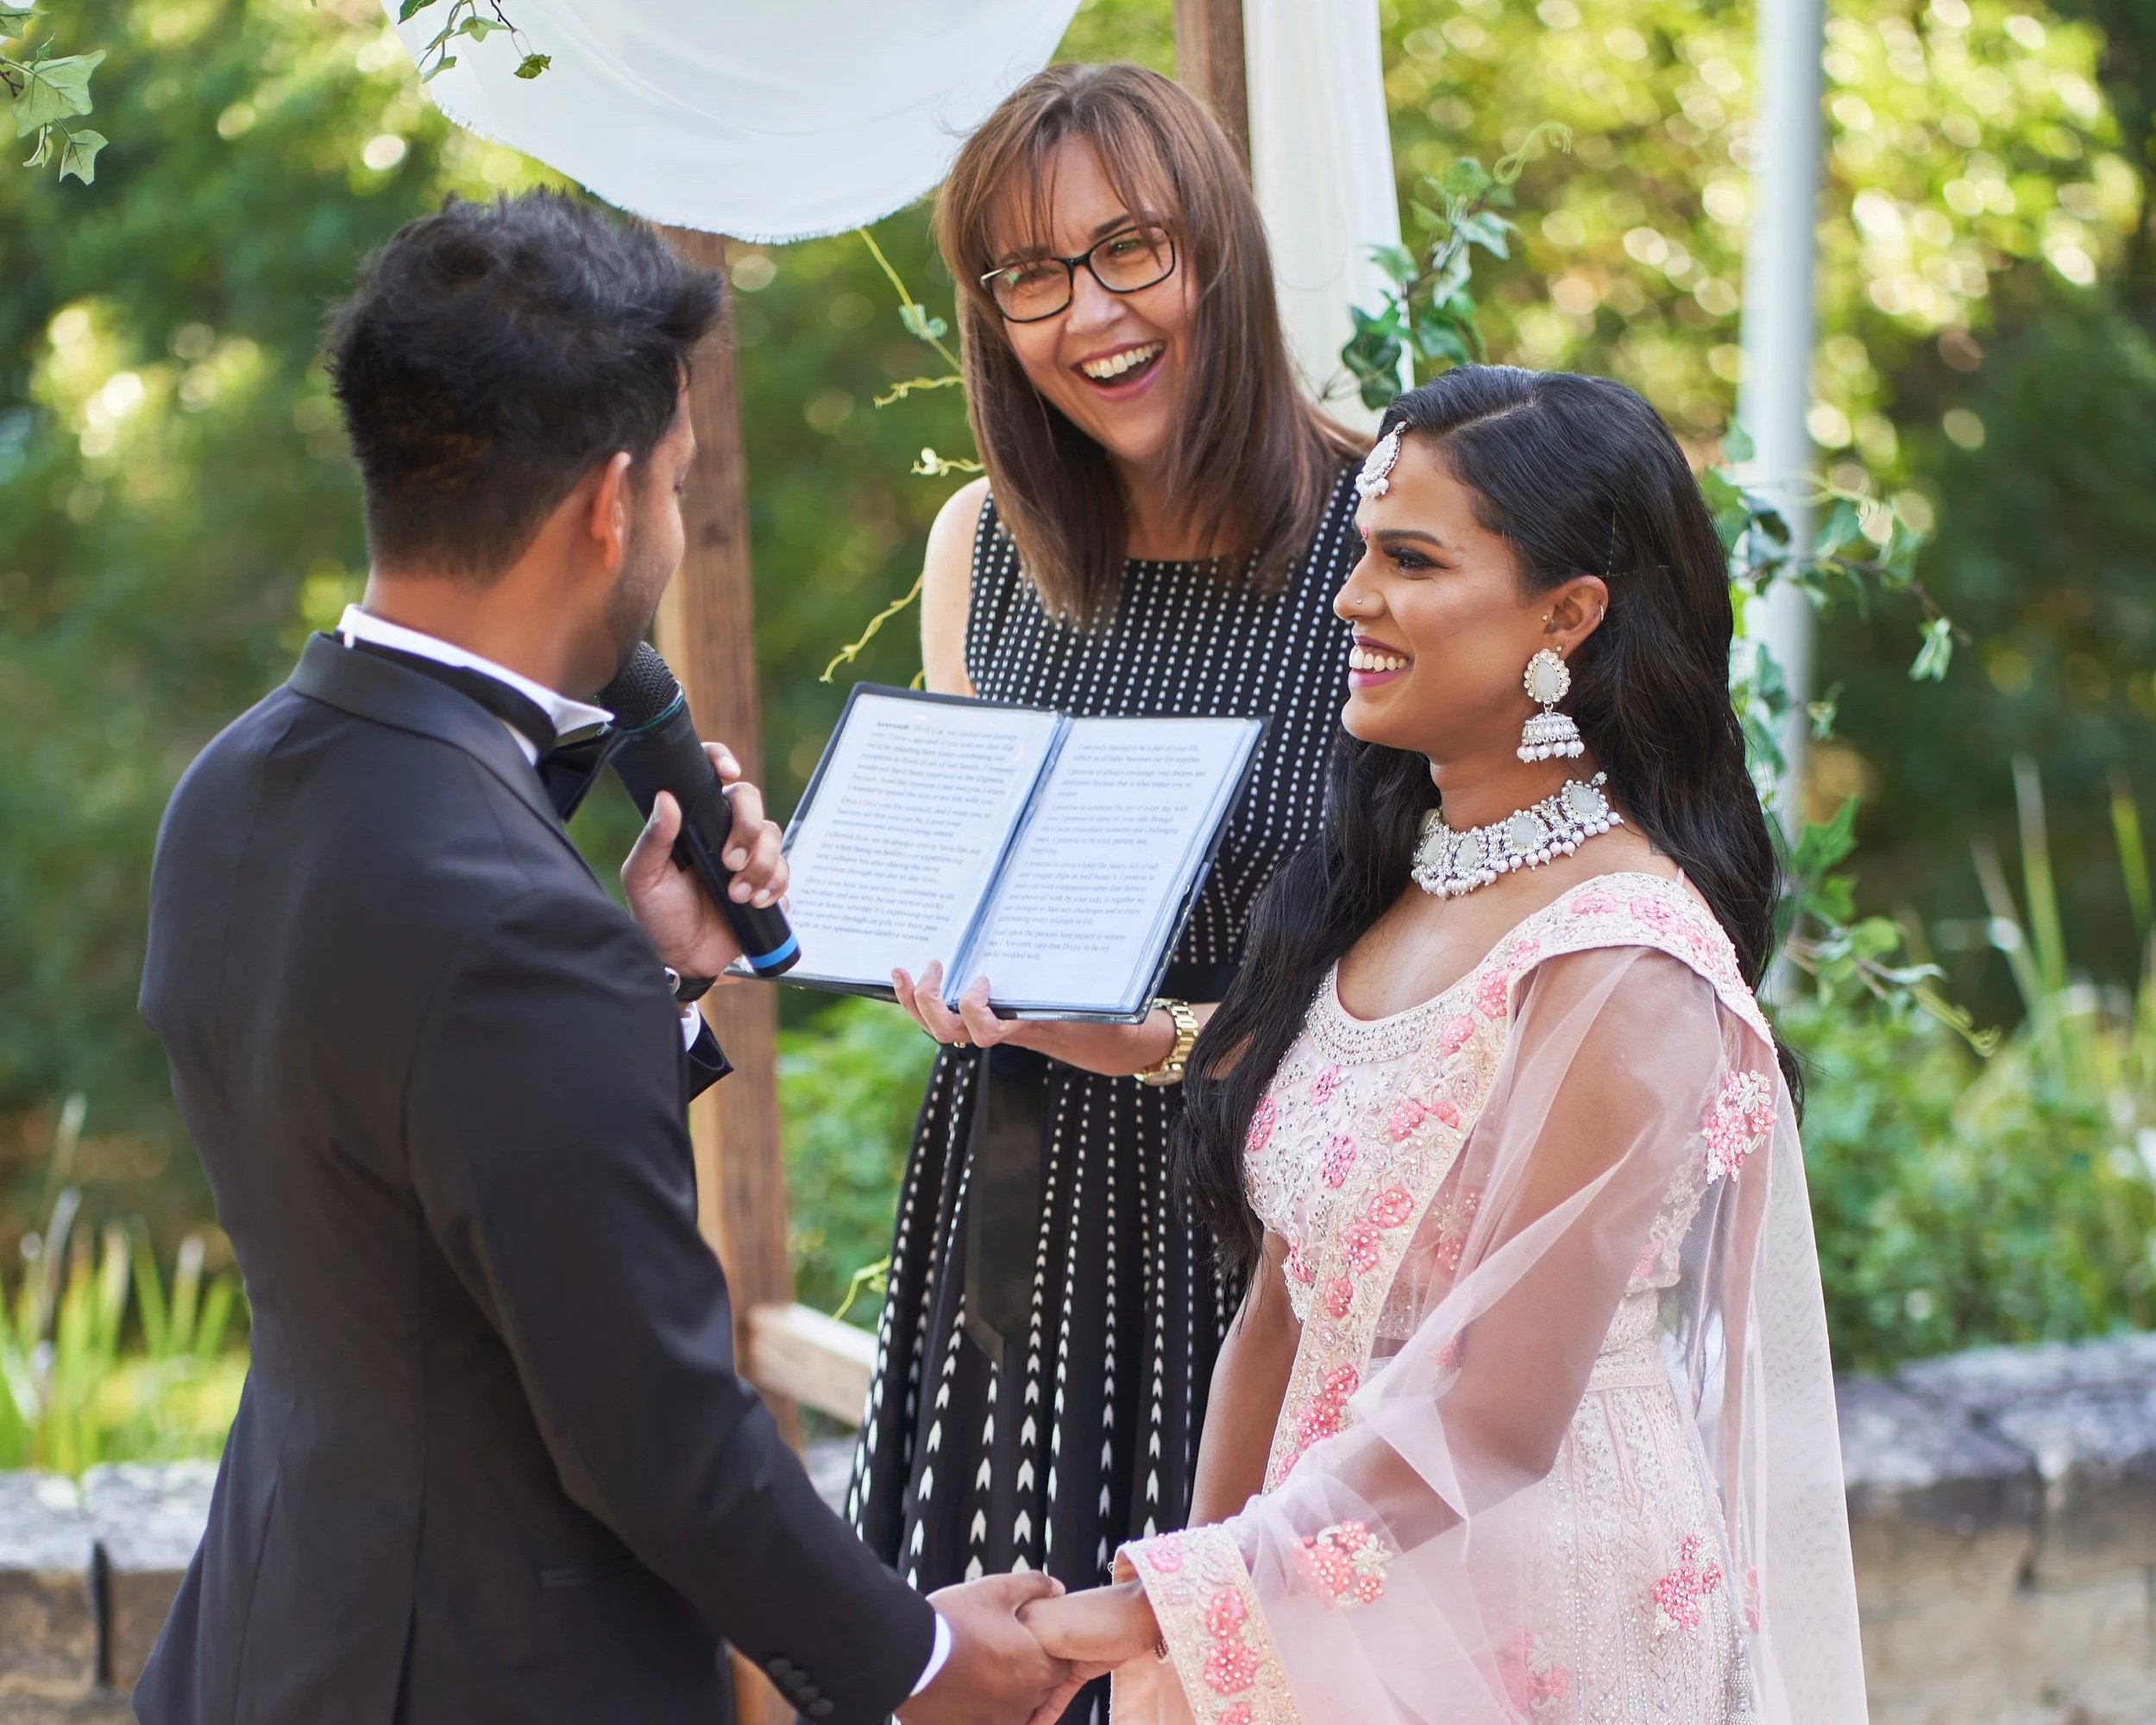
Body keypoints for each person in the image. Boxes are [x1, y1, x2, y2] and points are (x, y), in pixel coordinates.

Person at [135, 191, 1067, 1725]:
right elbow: (654, 1429)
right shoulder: (510, 921)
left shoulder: (234, 781)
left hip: (269, 1628)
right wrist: (917, 1660)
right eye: (684, 487)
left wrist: (647, 979)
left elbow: (420, 1177)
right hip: (480, 1674)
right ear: (609, 506)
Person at [1015, 366, 1870, 1723]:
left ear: (1567, 617)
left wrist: (1136, 1609)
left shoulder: (1625, 957)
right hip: (1309, 1575)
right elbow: (1281, 1314)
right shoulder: (1395, 878)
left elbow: (1491, 1417)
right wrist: (1192, 1628)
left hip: (1530, 1604)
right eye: (1363, 551)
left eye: (1410, 560)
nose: (1353, 599)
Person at [850, 66, 1367, 1695]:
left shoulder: (1385, 538)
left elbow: (1448, 987)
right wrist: (890, 928)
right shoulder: (980, 546)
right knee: (1002, 1663)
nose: (1090, 315)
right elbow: (960, 887)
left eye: (1130, 247)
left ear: (1221, 244)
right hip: (1021, 1220)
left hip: (1274, 1229)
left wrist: (1151, 1039)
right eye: (1030, 277)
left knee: (1232, 1675)